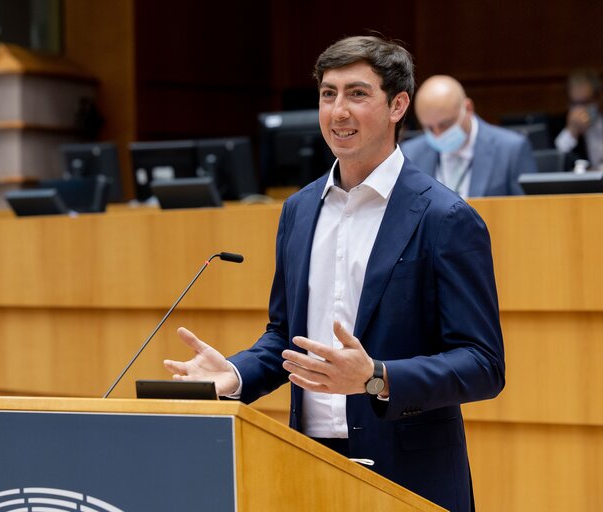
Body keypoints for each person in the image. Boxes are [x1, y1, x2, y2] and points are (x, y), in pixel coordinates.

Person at [164, 35, 505, 512]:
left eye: (357, 93)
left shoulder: (445, 218)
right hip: (305, 461)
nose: (338, 111)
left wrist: (376, 377)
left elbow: (483, 365)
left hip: (408, 476)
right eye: (329, 94)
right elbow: (285, 335)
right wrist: (236, 374)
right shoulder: (298, 211)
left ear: (398, 105)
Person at [401, 75, 537, 197]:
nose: (438, 134)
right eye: (429, 128)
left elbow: (528, 213)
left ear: (468, 108)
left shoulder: (511, 150)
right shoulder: (410, 154)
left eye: (445, 125)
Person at [554, 69, 603, 170]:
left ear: (597, 98)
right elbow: (555, 161)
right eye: (575, 103)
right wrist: (572, 131)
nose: (580, 109)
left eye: (585, 102)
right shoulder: (559, 124)